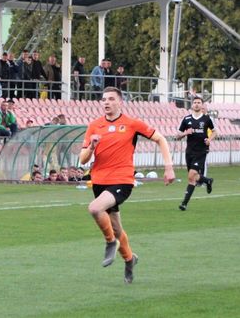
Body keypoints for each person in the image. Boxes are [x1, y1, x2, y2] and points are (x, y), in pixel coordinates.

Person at [79, 87, 175, 284]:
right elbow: (82, 159)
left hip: (122, 180)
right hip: (99, 182)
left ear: (119, 102)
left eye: (111, 99)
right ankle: (130, 260)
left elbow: (160, 139)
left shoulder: (132, 124)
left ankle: (110, 243)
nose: (106, 102)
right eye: (104, 99)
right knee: (116, 228)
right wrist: (92, 146)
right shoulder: (94, 126)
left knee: (95, 208)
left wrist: (169, 167)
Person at [177, 96, 217, 211]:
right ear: (192, 105)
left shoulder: (207, 119)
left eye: (199, 102)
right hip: (189, 152)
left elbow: (215, 132)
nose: (196, 104)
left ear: (202, 105)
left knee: (191, 176)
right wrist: (185, 133)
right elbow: (177, 135)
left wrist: (209, 139)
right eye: (195, 102)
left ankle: (184, 203)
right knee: (193, 177)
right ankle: (207, 180)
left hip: (201, 151)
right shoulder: (186, 119)